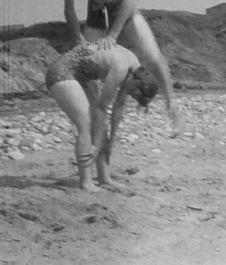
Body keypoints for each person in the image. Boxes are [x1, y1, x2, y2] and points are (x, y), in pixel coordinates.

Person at [57, 0, 184, 132]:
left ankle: (172, 106)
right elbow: (69, 7)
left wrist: (113, 35)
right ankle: (97, 120)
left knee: (152, 57)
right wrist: (77, 37)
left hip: (120, 4)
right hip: (96, 7)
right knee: (88, 64)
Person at [45, 43, 158, 192]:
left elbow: (119, 106)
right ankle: (86, 182)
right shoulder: (121, 68)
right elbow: (101, 108)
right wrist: (95, 146)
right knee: (85, 124)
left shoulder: (134, 69)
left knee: (101, 128)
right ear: (137, 82)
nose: (132, 95)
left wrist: (111, 139)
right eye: (135, 94)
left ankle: (104, 178)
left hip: (83, 75)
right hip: (62, 72)